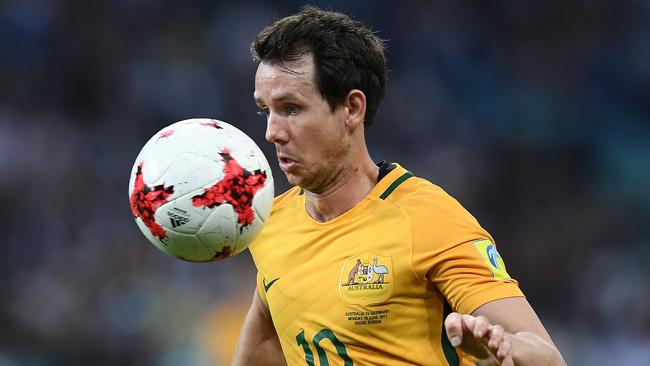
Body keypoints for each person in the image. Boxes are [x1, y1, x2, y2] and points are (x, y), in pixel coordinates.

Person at [233, 6, 566, 366]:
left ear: (352, 108)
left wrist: (503, 347)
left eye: (291, 108)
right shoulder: (270, 223)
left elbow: (547, 358)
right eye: (265, 110)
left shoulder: (427, 219)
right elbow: (267, 337)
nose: (272, 132)